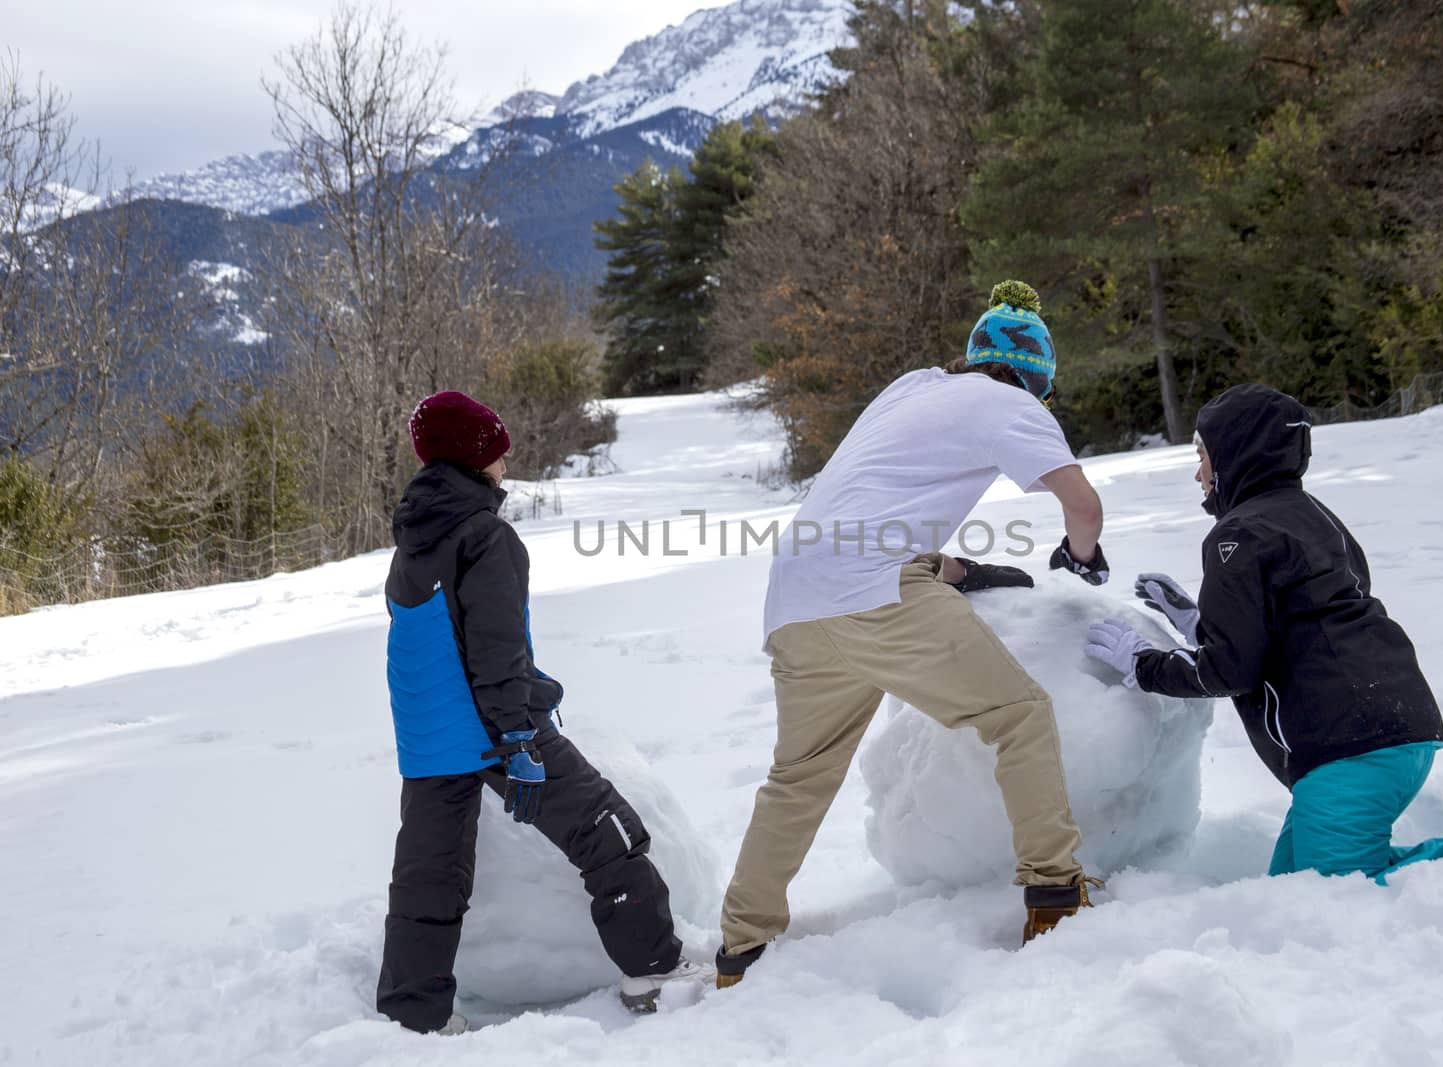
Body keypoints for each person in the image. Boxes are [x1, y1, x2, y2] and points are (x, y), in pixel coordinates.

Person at [715, 281, 1111, 990]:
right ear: (1037, 381)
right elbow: (1082, 506)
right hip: (874, 592)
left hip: (794, 598)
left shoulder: (911, 388)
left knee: (798, 779)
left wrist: (956, 568)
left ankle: (741, 950)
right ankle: (1055, 894)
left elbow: (872, 495)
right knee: (1018, 715)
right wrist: (1081, 558)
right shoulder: (1013, 402)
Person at [1084, 383, 1443, 883]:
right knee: (1294, 891)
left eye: (1203, 455)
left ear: (1235, 452)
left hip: (1350, 746)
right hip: (1391, 726)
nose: (1198, 473)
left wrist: (1141, 664)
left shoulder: (1236, 535)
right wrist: (1200, 621)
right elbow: (1308, 620)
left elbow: (1231, 670)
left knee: (1344, 893)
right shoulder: (1314, 516)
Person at [376, 390, 705, 1033]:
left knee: (428, 883)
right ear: (474, 459)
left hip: (427, 740)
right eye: (497, 451)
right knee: (607, 829)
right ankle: (654, 966)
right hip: (497, 729)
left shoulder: (416, 537)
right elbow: (495, 650)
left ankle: (411, 1017)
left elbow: (447, 640)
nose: (505, 463)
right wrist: (519, 738)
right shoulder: (485, 536)